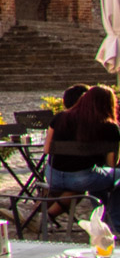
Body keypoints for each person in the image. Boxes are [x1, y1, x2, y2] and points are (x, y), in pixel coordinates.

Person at [46, 83, 120, 229]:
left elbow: (47, 149)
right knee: (110, 177)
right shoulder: (110, 127)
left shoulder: (60, 117)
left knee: (93, 179)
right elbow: (112, 164)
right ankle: (115, 224)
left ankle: (102, 217)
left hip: (52, 176)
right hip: (82, 178)